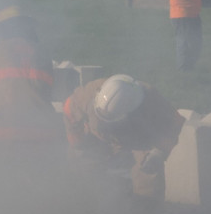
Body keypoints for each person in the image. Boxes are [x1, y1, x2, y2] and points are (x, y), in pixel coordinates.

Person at [63, 74, 184, 205]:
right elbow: (70, 111)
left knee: (148, 178)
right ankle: (85, 210)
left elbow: (174, 124)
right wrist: (79, 144)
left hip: (139, 140)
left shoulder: (152, 101)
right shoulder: (88, 94)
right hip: (95, 138)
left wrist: (160, 151)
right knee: (83, 174)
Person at [0, 6, 65, 152]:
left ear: (1, 31)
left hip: (3, 135)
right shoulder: (44, 54)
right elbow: (47, 91)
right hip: (44, 135)